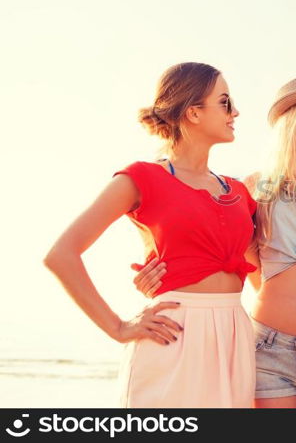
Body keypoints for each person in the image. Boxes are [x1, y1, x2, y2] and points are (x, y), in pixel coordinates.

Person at [133, 75, 296, 408]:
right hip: (268, 346)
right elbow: (232, 257)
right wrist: (158, 276)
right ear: (293, 115)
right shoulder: (253, 187)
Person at [44, 62, 257, 407]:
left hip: (235, 335)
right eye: (225, 102)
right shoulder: (141, 177)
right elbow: (61, 255)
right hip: (172, 334)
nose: (235, 112)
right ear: (193, 113)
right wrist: (118, 327)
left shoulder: (238, 191)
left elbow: (265, 265)